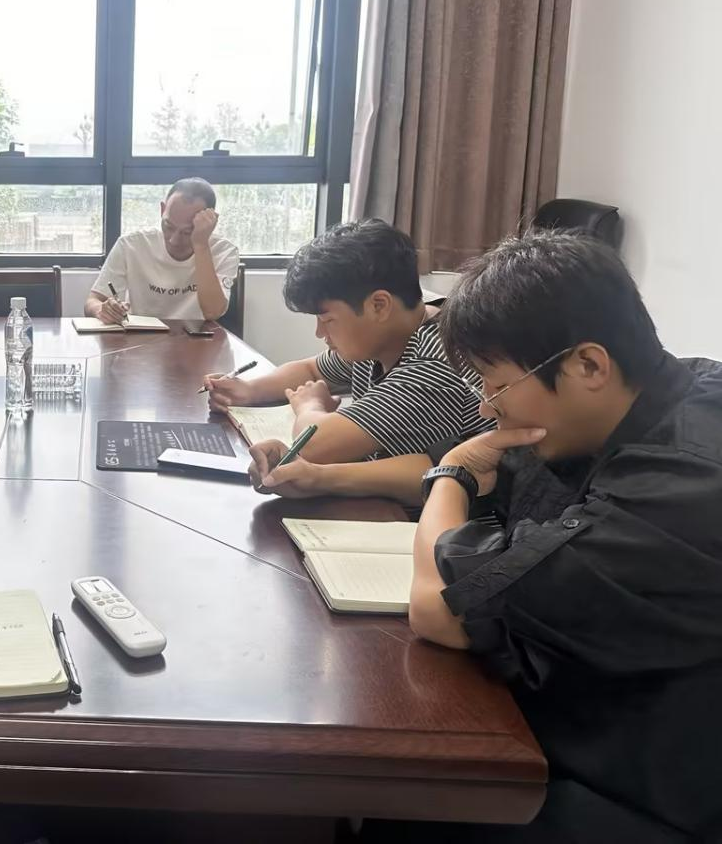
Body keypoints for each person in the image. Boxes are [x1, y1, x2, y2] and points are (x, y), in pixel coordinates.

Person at [373, 230, 722, 842]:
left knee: (407, 795)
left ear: (588, 364)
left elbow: (438, 610)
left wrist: (450, 475)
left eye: (497, 385)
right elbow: (500, 498)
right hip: (590, 720)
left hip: (644, 791)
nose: (487, 407)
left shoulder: (681, 486)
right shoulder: (623, 406)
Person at [205, 219, 489, 506]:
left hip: (430, 519)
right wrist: (249, 390)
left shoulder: (436, 361)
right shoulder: (385, 335)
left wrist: (309, 406)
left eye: (327, 320)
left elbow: (316, 446)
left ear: (379, 305)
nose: (319, 333)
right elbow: (311, 369)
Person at [84, 177, 239, 323]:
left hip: (196, 339)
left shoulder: (224, 251)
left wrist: (201, 245)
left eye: (187, 232)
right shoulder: (132, 245)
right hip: (140, 338)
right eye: (168, 226)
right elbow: (93, 301)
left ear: (209, 223)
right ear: (162, 210)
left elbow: (212, 312)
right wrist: (103, 310)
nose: (173, 240)